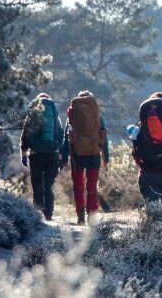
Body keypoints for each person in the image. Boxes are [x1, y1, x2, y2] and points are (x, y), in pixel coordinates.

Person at [60, 90, 110, 225]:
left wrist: (64, 158)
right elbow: (103, 137)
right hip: (94, 154)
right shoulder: (97, 116)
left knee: (78, 186)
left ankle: (80, 215)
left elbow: (66, 139)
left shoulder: (72, 115)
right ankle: (92, 216)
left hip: (77, 156)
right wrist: (106, 158)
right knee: (92, 186)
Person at [20, 93, 63, 220]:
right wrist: (60, 153)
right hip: (52, 154)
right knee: (49, 185)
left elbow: (25, 134)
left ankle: (37, 213)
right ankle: (48, 214)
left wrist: (23, 154)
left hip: (35, 154)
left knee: (37, 183)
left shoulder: (33, 113)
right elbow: (60, 134)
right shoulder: (55, 115)